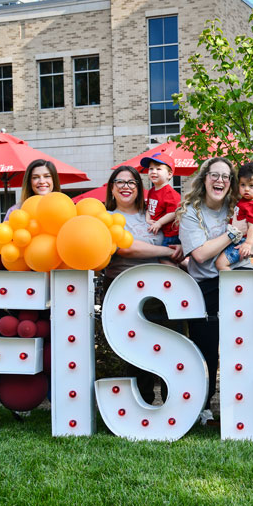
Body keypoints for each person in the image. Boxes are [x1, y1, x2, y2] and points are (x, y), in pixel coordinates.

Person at [176, 157, 253, 427]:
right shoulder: (191, 212)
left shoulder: (239, 204)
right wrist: (233, 233)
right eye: (214, 175)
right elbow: (202, 254)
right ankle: (203, 408)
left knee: (240, 347)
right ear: (204, 178)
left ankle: (239, 406)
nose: (220, 180)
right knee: (205, 350)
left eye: (226, 176)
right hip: (205, 287)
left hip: (239, 281)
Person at [102, 165, 184, 405]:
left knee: (170, 347)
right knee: (137, 352)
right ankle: (144, 403)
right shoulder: (107, 218)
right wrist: (166, 251)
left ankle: (174, 404)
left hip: (162, 293)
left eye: (132, 182)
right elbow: (125, 249)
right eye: (120, 182)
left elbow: (175, 235)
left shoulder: (152, 216)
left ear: (140, 188)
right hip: (125, 294)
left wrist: (177, 247)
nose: (126, 187)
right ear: (111, 188)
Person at [216, 163, 253, 271]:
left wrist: (248, 244)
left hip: (242, 241)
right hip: (238, 238)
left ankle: (232, 283)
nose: (246, 189)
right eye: (243, 185)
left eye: (251, 186)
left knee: (220, 264)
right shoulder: (245, 201)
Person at [142, 152, 181, 252]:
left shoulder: (171, 193)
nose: (153, 171)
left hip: (170, 234)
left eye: (158, 169)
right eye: (151, 169)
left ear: (169, 174)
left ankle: (184, 266)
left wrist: (159, 223)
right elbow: (149, 208)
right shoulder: (151, 191)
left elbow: (173, 212)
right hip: (157, 232)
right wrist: (148, 218)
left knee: (164, 257)